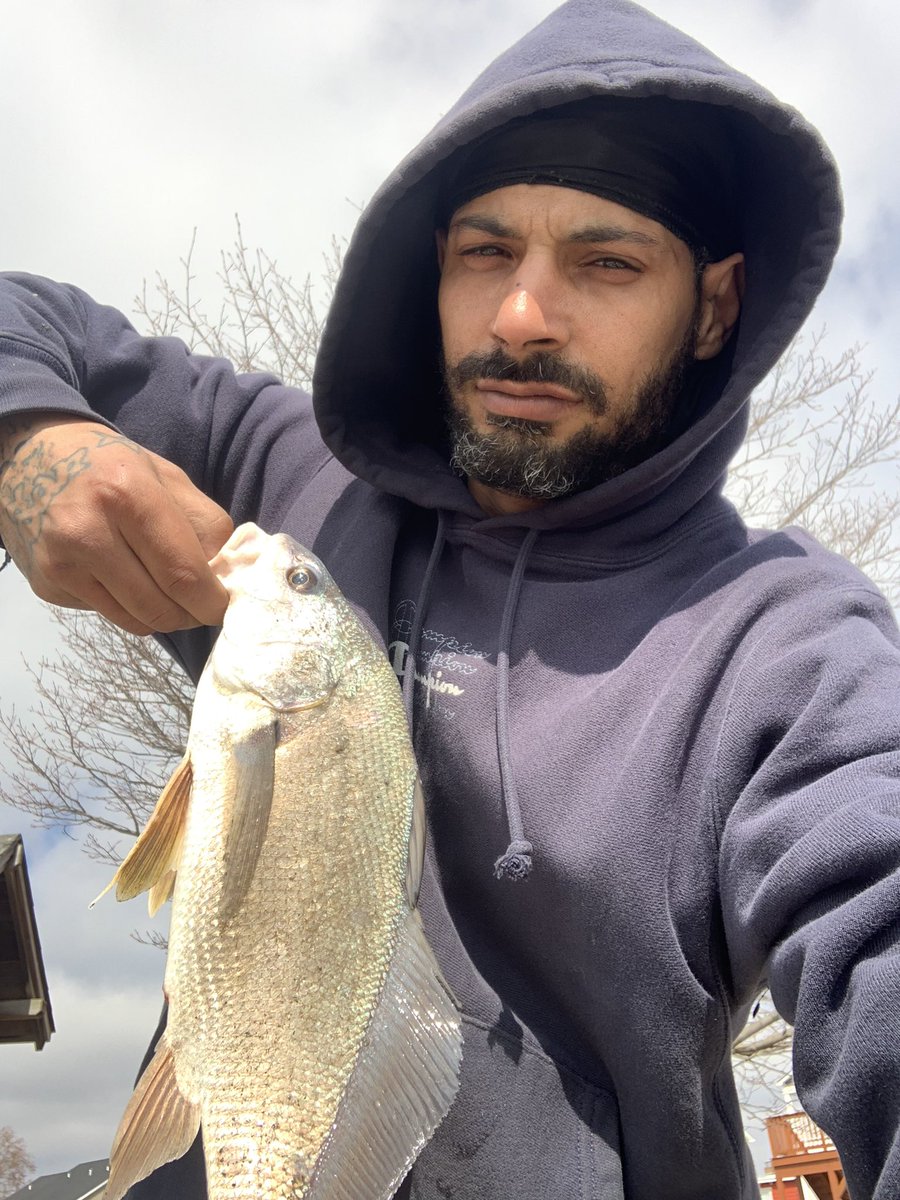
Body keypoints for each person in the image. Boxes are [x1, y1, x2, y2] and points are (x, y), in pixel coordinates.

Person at [0, 1, 898, 1197]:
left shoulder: (790, 650)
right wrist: (32, 437)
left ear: (716, 306)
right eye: (485, 254)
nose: (522, 317)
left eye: (607, 261)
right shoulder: (290, 476)